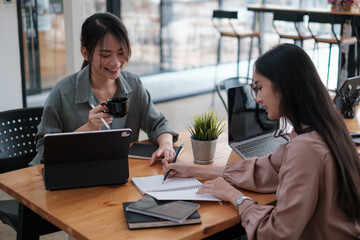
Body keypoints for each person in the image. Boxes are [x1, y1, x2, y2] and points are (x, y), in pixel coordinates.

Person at [162, 44, 360, 239]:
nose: (257, 98)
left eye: (260, 87)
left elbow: (275, 234)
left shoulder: (305, 149)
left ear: (285, 86)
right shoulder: (325, 127)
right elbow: (263, 170)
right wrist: (192, 170)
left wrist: (237, 198)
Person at [30, 12, 178, 166]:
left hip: (118, 173)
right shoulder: (62, 93)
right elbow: (45, 151)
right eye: (106, 55)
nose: (115, 62)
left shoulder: (133, 85)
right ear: (85, 53)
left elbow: (158, 124)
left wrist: (166, 145)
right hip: (74, 173)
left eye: (121, 53)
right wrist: (88, 129)